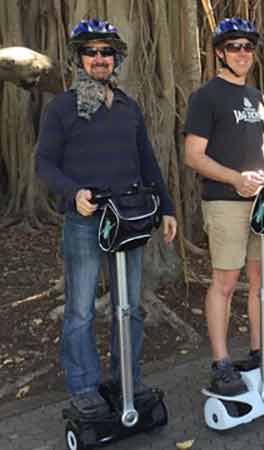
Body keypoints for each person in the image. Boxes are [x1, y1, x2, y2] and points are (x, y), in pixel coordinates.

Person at [36, 18, 177, 416]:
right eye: (91, 51)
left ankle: (125, 378)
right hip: (85, 219)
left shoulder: (129, 107)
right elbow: (44, 163)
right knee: (80, 309)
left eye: (106, 52)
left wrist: (166, 207)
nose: (99, 58)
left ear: (117, 58)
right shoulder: (62, 107)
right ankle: (83, 386)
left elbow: (147, 160)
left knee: (129, 306)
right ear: (79, 59)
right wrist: (73, 192)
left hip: (129, 217)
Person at [184, 17, 264, 397]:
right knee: (225, 283)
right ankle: (222, 362)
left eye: (248, 47)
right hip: (226, 203)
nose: (242, 53)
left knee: (263, 282)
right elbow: (193, 156)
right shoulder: (206, 97)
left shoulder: (257, 97)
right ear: (220, 53)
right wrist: (234, 178)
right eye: (234, 47)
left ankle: (260, 351)